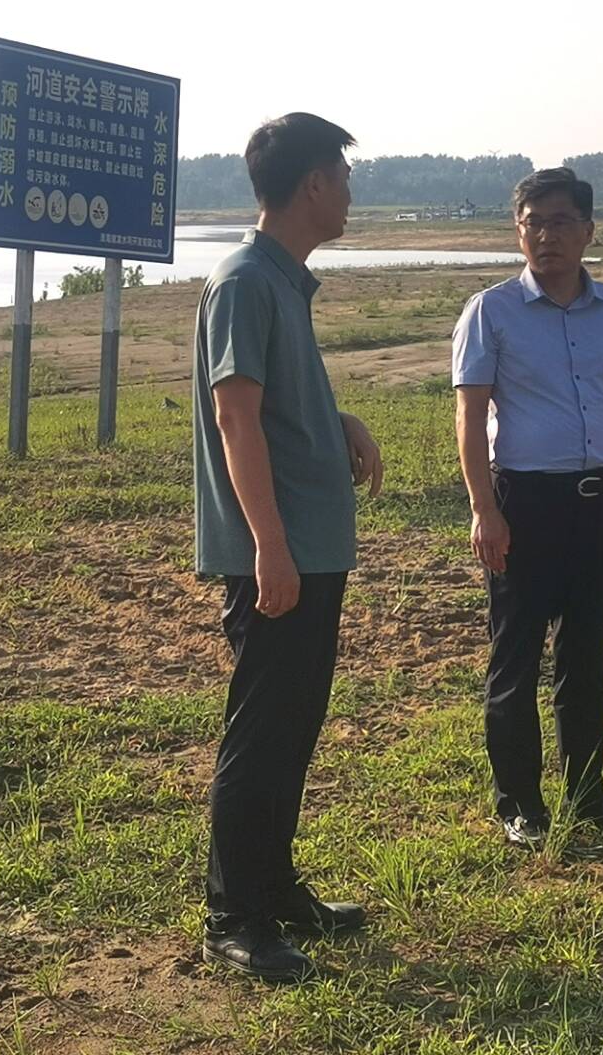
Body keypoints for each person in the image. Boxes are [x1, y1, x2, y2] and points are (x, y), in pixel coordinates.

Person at [193, 112, 385, 983]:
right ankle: (234, 919)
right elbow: (236, 419)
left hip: (308, 548)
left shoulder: (281, 281)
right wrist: (269, 546)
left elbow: (269, 401)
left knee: (293, 727)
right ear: (312, 184)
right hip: (278, 555)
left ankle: (274, 890)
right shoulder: (244, 281)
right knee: (262, 735)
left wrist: (336, 418)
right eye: (343, 177)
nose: (349, 193)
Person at [452, 167, 603, 848]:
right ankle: (519, 803)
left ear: (588, 231)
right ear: (518, 232)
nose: (547, 236)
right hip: (523, 503)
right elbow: (470, 417)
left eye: (561, 222)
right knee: (515, 655)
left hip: (598, 502)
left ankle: (588, 795)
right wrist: (484, 510)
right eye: (533, 224)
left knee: (586, 653)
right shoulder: (490, 311)